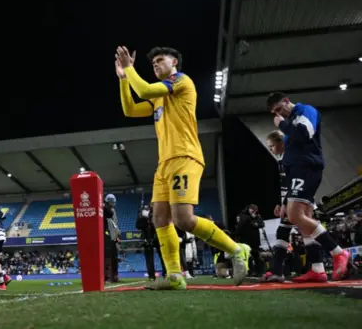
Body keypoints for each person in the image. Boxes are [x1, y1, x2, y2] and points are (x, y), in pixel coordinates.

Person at [116, 45, 250, 290]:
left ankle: (236, 249)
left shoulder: (181, 81)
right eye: (153, 62)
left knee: (184, 220)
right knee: (159, 219)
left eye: (160, 60)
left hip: (185, 156)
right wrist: (124, 80)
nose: (155, 64)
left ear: (174, 61)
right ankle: (175, 276)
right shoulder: (158, 97)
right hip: (164, 163)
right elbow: (130, 109)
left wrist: (129, 68)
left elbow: (144, 88)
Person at [266, 92, 354, 280]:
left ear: (287, 101)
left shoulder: (305, 111)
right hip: (300, 171)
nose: (279, 115)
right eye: (275, 112)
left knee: (295, 216)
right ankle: (317, 269)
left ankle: (338, 252)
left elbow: (305, 134)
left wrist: (281, 124)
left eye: (279, 109)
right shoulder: (292, 124)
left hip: (305, 169)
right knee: (303, 219)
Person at [263, 130, 327, 283]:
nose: (270, 150)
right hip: (297, 198)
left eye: (272, 146)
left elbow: (293, 182)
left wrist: (286, 203)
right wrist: (282, 202)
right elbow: (286, 184)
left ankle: (337, 254)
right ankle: (319, 269)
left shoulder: (291, 157)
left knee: (289, 232)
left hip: (298, 199)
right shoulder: (283, 158)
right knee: (306, 233)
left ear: (281, 143)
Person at [103, 194, 121, 282]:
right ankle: (107, 277)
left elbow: (115, 225)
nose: (113, 204)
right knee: (106, 257)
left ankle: (114, 275)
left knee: (114, 257)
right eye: (111, 203)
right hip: (107, 236)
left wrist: (117, 235)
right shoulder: (104, 210)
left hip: (113, 236)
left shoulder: (113, 211)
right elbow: (109, 215)